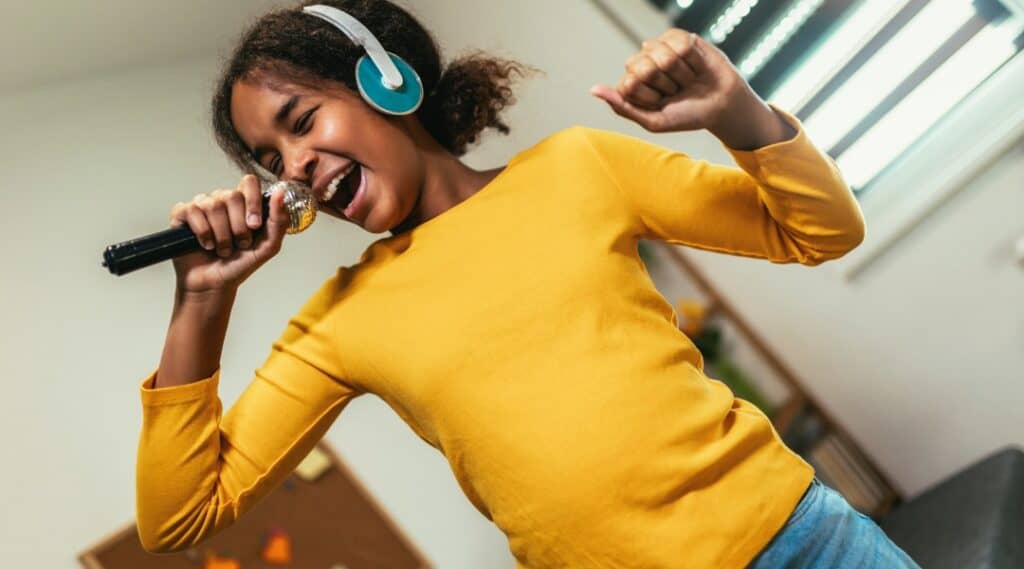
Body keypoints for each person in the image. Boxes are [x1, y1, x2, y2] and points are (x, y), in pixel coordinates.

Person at [135, 1, 919, 567]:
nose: (294, 166)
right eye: (270, 163)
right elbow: (178, 517)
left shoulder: (579, 165)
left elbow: (819, 230)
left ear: (385, 82)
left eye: (301, 122)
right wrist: (201, 301)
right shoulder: (341, 319)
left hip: (808, 540)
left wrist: (739, 114)